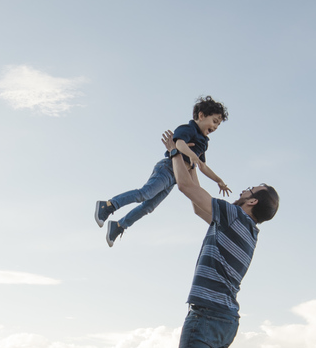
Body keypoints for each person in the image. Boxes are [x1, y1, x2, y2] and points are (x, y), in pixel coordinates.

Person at [159, 129, 279, 348]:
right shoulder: (245, 230)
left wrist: (174, 154)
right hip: (226, 319)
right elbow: (199, 202)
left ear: (253, 202)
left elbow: (185, 189)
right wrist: (191, 159)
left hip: (206, 315)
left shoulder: (234, 217)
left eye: (250, 189)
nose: (243, 189)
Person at [95, 96, 232, 247]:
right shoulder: (189, 128)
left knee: (149, 207)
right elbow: (178, 144)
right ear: (201, 115)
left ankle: (119, 226)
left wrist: (218, 180)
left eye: (218, 125)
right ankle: (108, 205)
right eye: (214, 121)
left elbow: (202, 166)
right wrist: (192, 155)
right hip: (167, 168)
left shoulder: (203, 143)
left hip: (175, 178)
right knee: (145, 193)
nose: (215, 127)